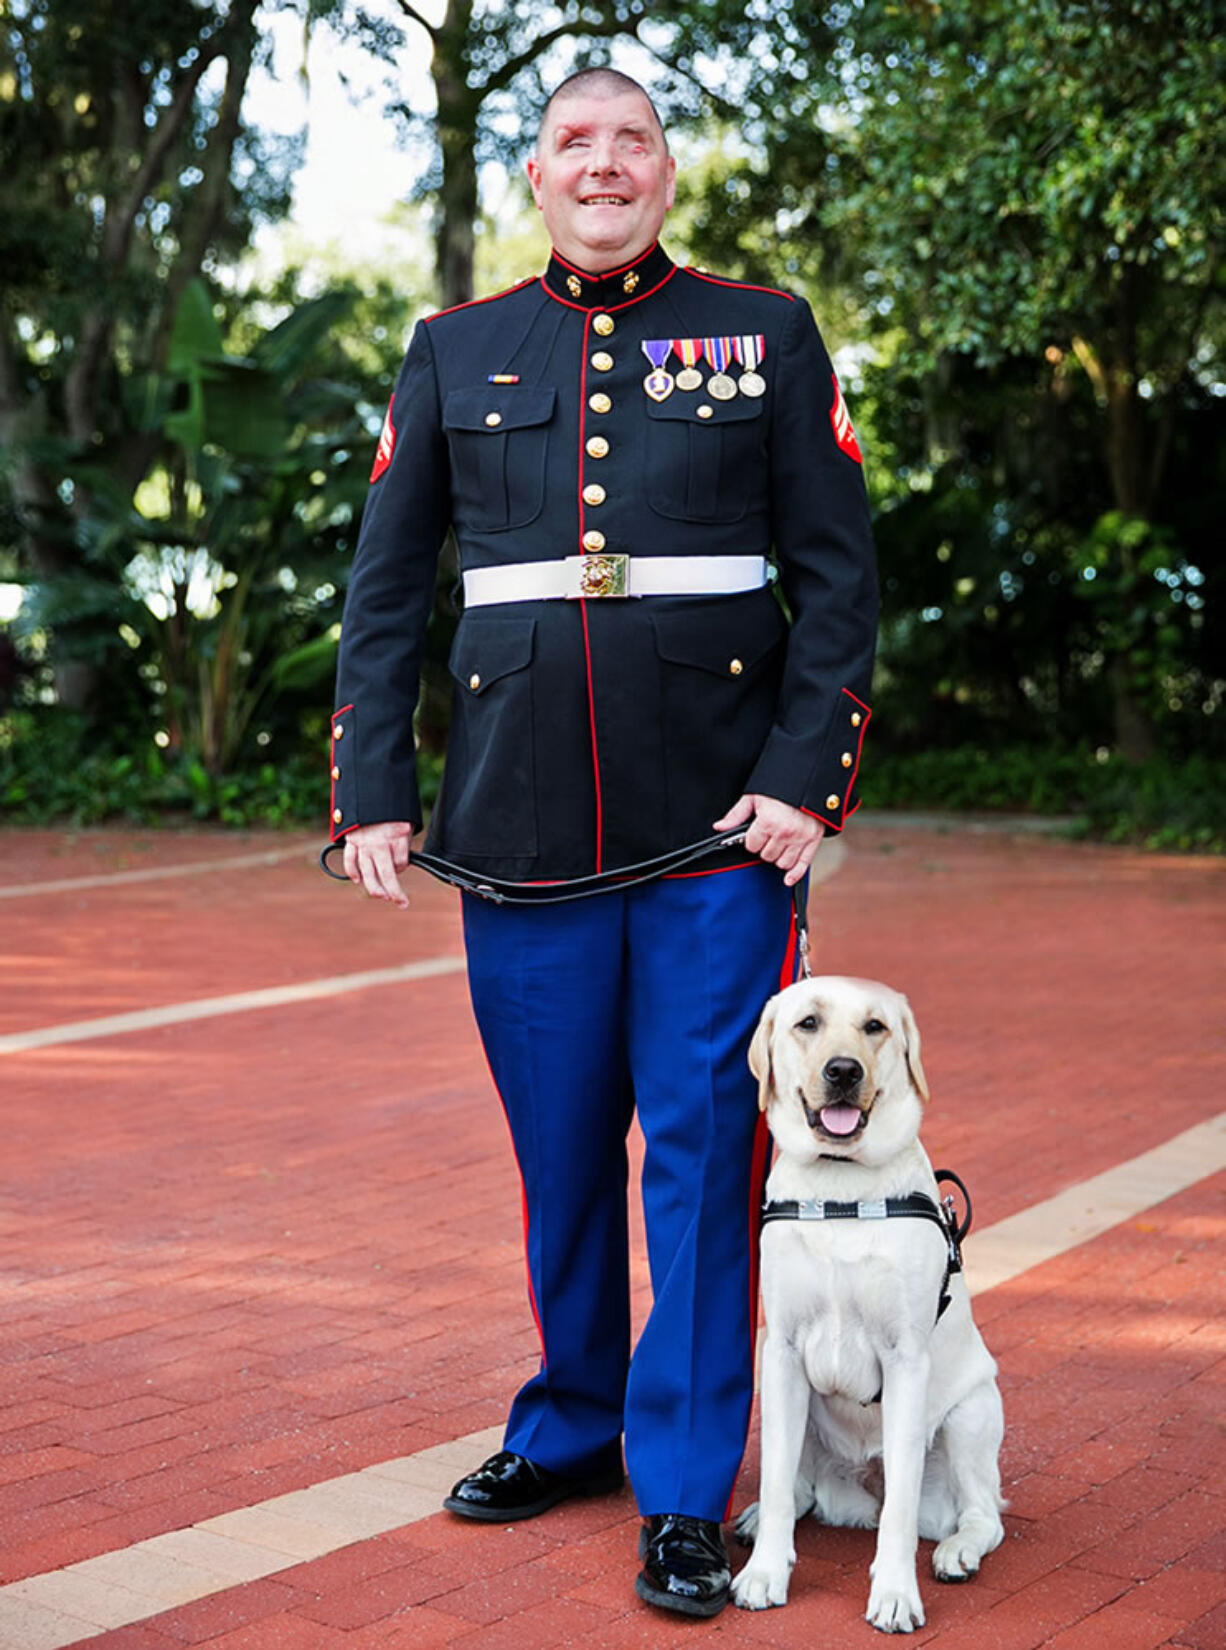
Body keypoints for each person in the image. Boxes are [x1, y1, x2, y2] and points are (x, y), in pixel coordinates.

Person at [328, 66, 877, 1619]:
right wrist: (372, 782)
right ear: (536, 174)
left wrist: (802, 781)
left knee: (706, 1155)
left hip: (717, 831)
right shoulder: (451, 349)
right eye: (575, 140)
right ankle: (570, 1420)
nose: (604, 162)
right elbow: (386, 591)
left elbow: (837, 580)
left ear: (666, 171)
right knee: (559, 1150)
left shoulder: (762, 332)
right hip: (513, 830)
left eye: (630, 140)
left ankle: (686, 1483)